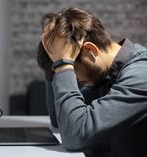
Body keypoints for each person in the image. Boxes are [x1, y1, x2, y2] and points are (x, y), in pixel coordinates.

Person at [37, 7, 147, 157]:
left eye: (71, 67)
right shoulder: (104, 77)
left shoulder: (141, 75)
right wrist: (53, 60)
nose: (72, 78)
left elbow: (75, 134)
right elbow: (60, 120)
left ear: (91, 51)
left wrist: (63, 64)